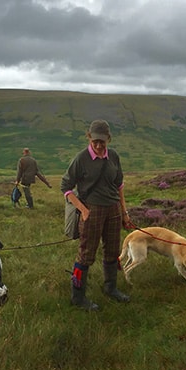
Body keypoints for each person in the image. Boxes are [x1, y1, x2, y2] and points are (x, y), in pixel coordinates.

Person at [61, 120, 131, 310]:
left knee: (112, 250)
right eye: (95, 142)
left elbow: (119, 186)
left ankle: (111, 288)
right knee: (85, 254)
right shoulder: (81, 159)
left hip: (114, 210)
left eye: (102, 142)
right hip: (92, 211)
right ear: (89, 137)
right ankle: (78, 297)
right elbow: (66, 187)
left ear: (108, 139)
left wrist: (124, 212)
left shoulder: (114, 157)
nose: (99, 146)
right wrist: (83, 210)